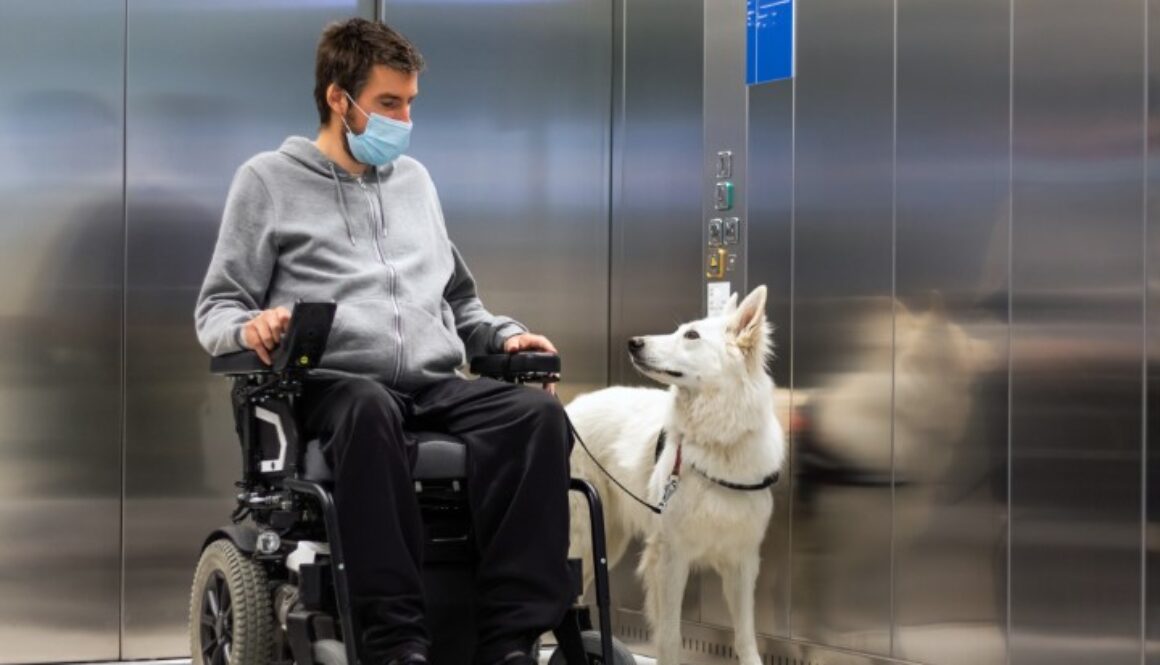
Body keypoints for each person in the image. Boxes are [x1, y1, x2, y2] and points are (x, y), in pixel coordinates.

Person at [194, 17, 573, 665]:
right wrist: (247, 328)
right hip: (331, 385)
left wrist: (505, 338)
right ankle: (397, 641)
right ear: (339, 99)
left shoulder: (414, 182)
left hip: (431, 382)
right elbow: (217, 308)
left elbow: (459, 303)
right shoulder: (267, 181)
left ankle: (512, 638)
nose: (403, 119)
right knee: (369, 408)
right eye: (388, 103)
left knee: (536, 415)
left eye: (410, 103)